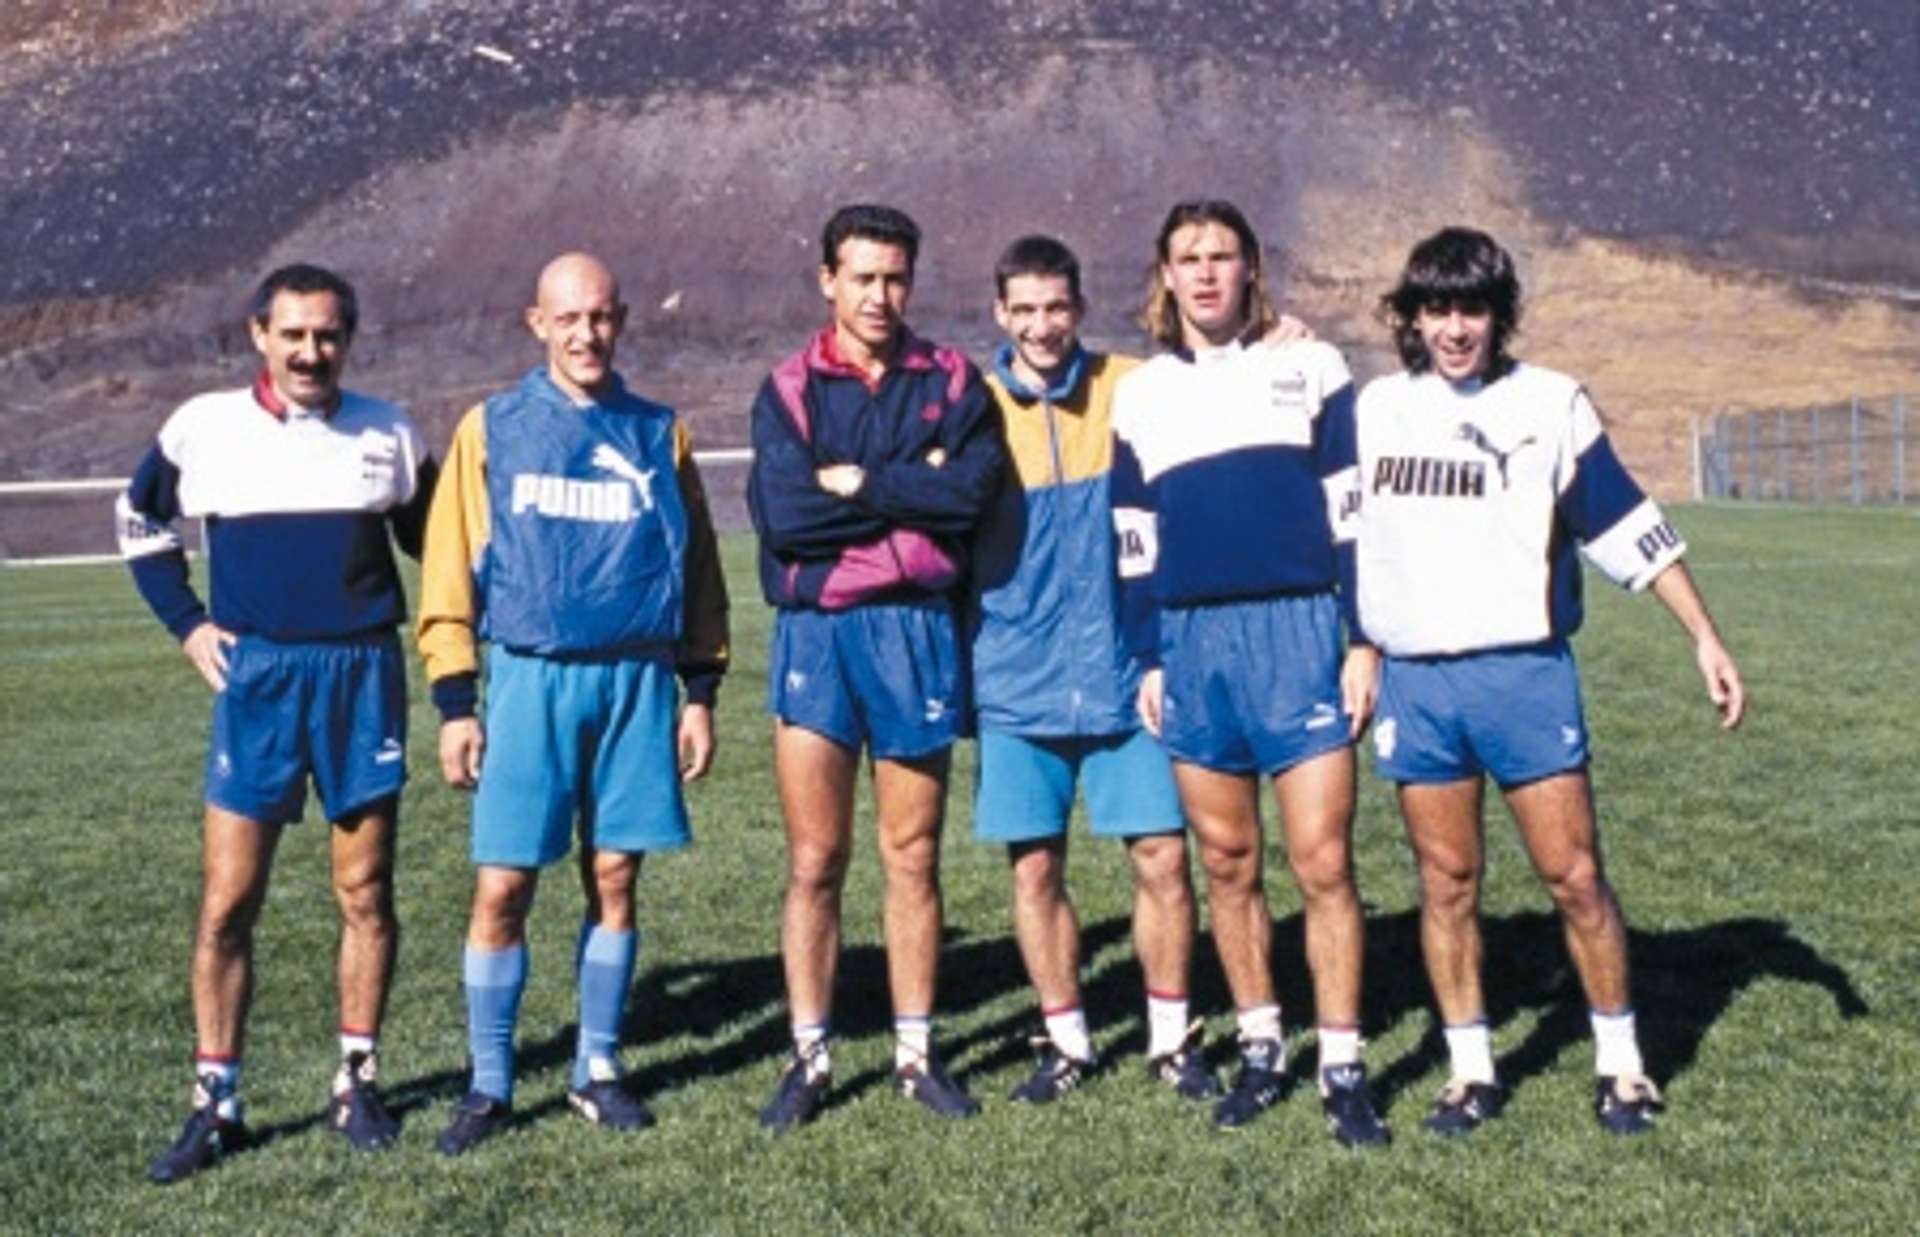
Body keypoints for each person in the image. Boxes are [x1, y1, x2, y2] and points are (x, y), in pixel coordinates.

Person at [1346, 225, 1745, 1137]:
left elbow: (1623, 520)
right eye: (1437, 310)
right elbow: (1337, 529)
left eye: (1473, 310)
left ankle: (1622, 1065)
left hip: (1522, 676)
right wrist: (1359, 643)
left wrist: (1704, 636)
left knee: (1574, 876)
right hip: (1418, 683)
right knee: (1448, 882)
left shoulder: (1549, 402)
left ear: (1500, 315)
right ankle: (1471, 1071)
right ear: (1412, 318)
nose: (1455, 329)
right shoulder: (1375, 410)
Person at [971, 234, 1310, 1104]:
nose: (1042, 326)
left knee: (1162, 857)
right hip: (1016, 676)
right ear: (1000, 314)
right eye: (1024, 310)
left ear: (1080, 308)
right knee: (1034, 869)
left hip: (1129, 677)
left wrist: (1279, 343)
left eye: (1057, 307)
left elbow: (1222, 381)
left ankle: (1171, 1037)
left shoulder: (1134, 386)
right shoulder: (971, 405)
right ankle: (1065, 1041)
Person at [118, 263, 436, 1183]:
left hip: (360, 674)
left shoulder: (389, 431)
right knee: (228, 901)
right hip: (259, 677)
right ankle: (216, 1099)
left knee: (364, 889)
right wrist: (188, 623)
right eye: (292, 333)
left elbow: (447, 545)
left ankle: (356, 1082)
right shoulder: (203, 427)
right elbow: (137, 517)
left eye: (327, 334)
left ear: (349, 338)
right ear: (259, 334)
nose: (310, 351)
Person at [416, 251, 730, 1155]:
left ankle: (597, 1065)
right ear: (537, 324)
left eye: (600, 316)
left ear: (620, 319)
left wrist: (699, 688)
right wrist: (455, 698)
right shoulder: (492, 429)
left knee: (617, 876)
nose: (586, 334)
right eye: (568, 318)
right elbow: (449, 566)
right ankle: (490, 1081)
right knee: (504, 883)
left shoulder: (659, 432)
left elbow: (698, 567)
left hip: (635, 681)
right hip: (529, 677)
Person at [1109, 200, 1387, 1145]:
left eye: (1221, 255)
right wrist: (1149, 654)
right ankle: (1262, 1044)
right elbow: (1133, 538)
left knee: (1323, 860)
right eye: (1187, 257)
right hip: (1193, 644)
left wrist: (1361, 636)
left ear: (1251, 267)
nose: (1205, 272)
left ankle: (1342, 1063)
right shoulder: (1143, 393)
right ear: (1166, 274)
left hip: (1298, 633)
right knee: (1227, 862)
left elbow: (1350, 509)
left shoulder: (1312, 367)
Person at [748, 203, 1005, 1130]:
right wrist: (910, 495)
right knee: (816, 857)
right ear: (828, 280)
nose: (879, 296)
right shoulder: (787, 388)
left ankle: (915, 1054)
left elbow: (966, 499)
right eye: (862, 277)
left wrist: (861, 483)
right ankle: (810, 1055)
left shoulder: (951, 379)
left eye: (895, 277)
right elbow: (787, 518)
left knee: (912, 852)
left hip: (913, 631)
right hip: (818, 633)